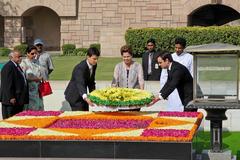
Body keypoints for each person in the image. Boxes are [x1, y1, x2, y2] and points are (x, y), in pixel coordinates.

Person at [160, 37, 193, 111]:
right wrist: (163, 92)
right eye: (176, 47)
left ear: (184, 48)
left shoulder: (190, 58)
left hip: (184, 90)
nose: (177, 50)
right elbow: (164, 75)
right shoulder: (169, 57)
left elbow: (192, 74)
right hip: (172, 91)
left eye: (180, 48)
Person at [64, 47, 100, 111]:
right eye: (94, 59)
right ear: (88, 57)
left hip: (83, 95)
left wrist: (94, 95)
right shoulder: (80, 68)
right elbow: (80, 83)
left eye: (97, 59)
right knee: (80, 117)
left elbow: (91, 81)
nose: (96, 61)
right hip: (74, 96)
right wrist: (86, 98)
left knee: (86, 114)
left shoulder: (94, 65)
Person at [0, 50, 29, 119]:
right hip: (11, 100)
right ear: (11, 57)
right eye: (18, 57)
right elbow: (7, 84)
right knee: (10, 119)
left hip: (18, 99)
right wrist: (11, 97)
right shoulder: (8, 67)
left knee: (16, 119)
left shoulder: (16, 66)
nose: (20, 58)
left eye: (20, 56)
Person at [20, 45, 44, 110]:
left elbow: (40, 72)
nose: (34, 55)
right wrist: (36, 79)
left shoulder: (36, 62)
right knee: (31, 109)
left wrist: (41, 77)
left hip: (38, 90)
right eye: (32, 53)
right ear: (27, 53)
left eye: (35, 53)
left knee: (39, 108)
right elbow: (22, 77)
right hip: (29, 91)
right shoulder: (23, 63)